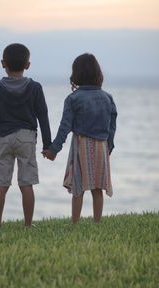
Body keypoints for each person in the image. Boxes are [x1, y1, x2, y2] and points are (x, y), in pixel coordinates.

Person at [43, 53, 117, 224]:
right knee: (97, 187)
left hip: (81, 144)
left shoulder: (73, 98)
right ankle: (97, 223)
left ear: (76, 74)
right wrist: (110, 146)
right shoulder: (107, 97)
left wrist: (53, 150)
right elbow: (112, 125)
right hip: (101, 146)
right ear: (98, 74)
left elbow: (65, 127)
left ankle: (75, 224)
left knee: (78, 187)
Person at [0, 43, 51, 227]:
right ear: (27, 65)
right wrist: (47, 145)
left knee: (1, 183)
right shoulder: (35, 88)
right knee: (26, 183)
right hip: (27, 138)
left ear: (3, 63)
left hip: (4, 138)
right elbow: (43, 118)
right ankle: (28, 225)